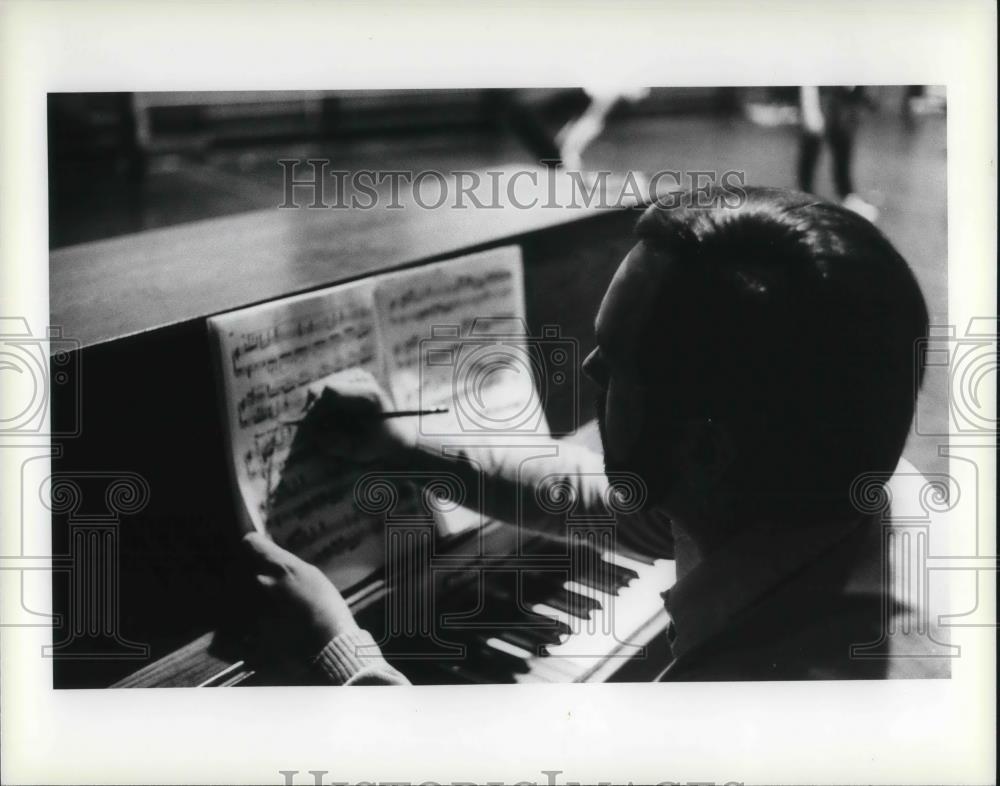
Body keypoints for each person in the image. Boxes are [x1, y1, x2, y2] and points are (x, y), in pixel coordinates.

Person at [241, 186, 947, 684]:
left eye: (618, 360)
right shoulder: (843, 478)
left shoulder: (769, 699)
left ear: (706, 447)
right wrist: (404, 451)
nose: (587, 367)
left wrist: (340, 652)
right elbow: (599, 500)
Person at [798, 86, 880, 223]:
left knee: (842, 136)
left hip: (841, 96)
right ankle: (804, 200)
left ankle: (847, 196)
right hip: (821, 92)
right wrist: (810, 105)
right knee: (814, 138)